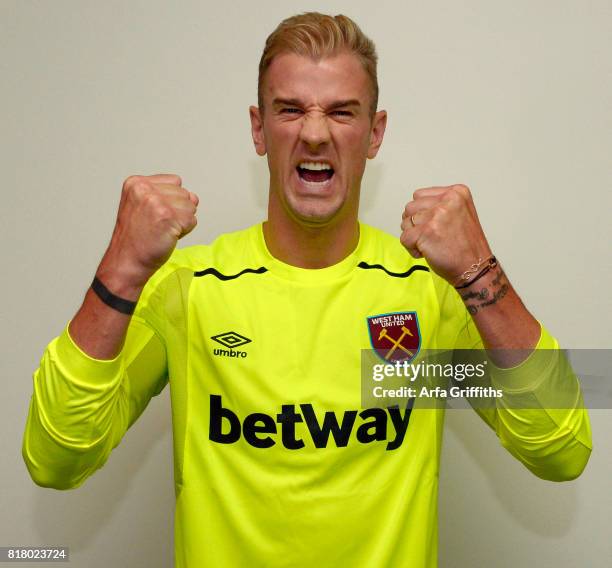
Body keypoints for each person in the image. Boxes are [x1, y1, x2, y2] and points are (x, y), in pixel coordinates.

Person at [23, 12, 592, 568]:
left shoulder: (430, 293)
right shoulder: (189, 289)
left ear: (375, 133)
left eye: (342, 113)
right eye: (290, 109)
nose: (315, 133)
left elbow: (561, 448)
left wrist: (480, 273)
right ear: (258, 128)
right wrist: (120, 269)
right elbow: (57, 458)